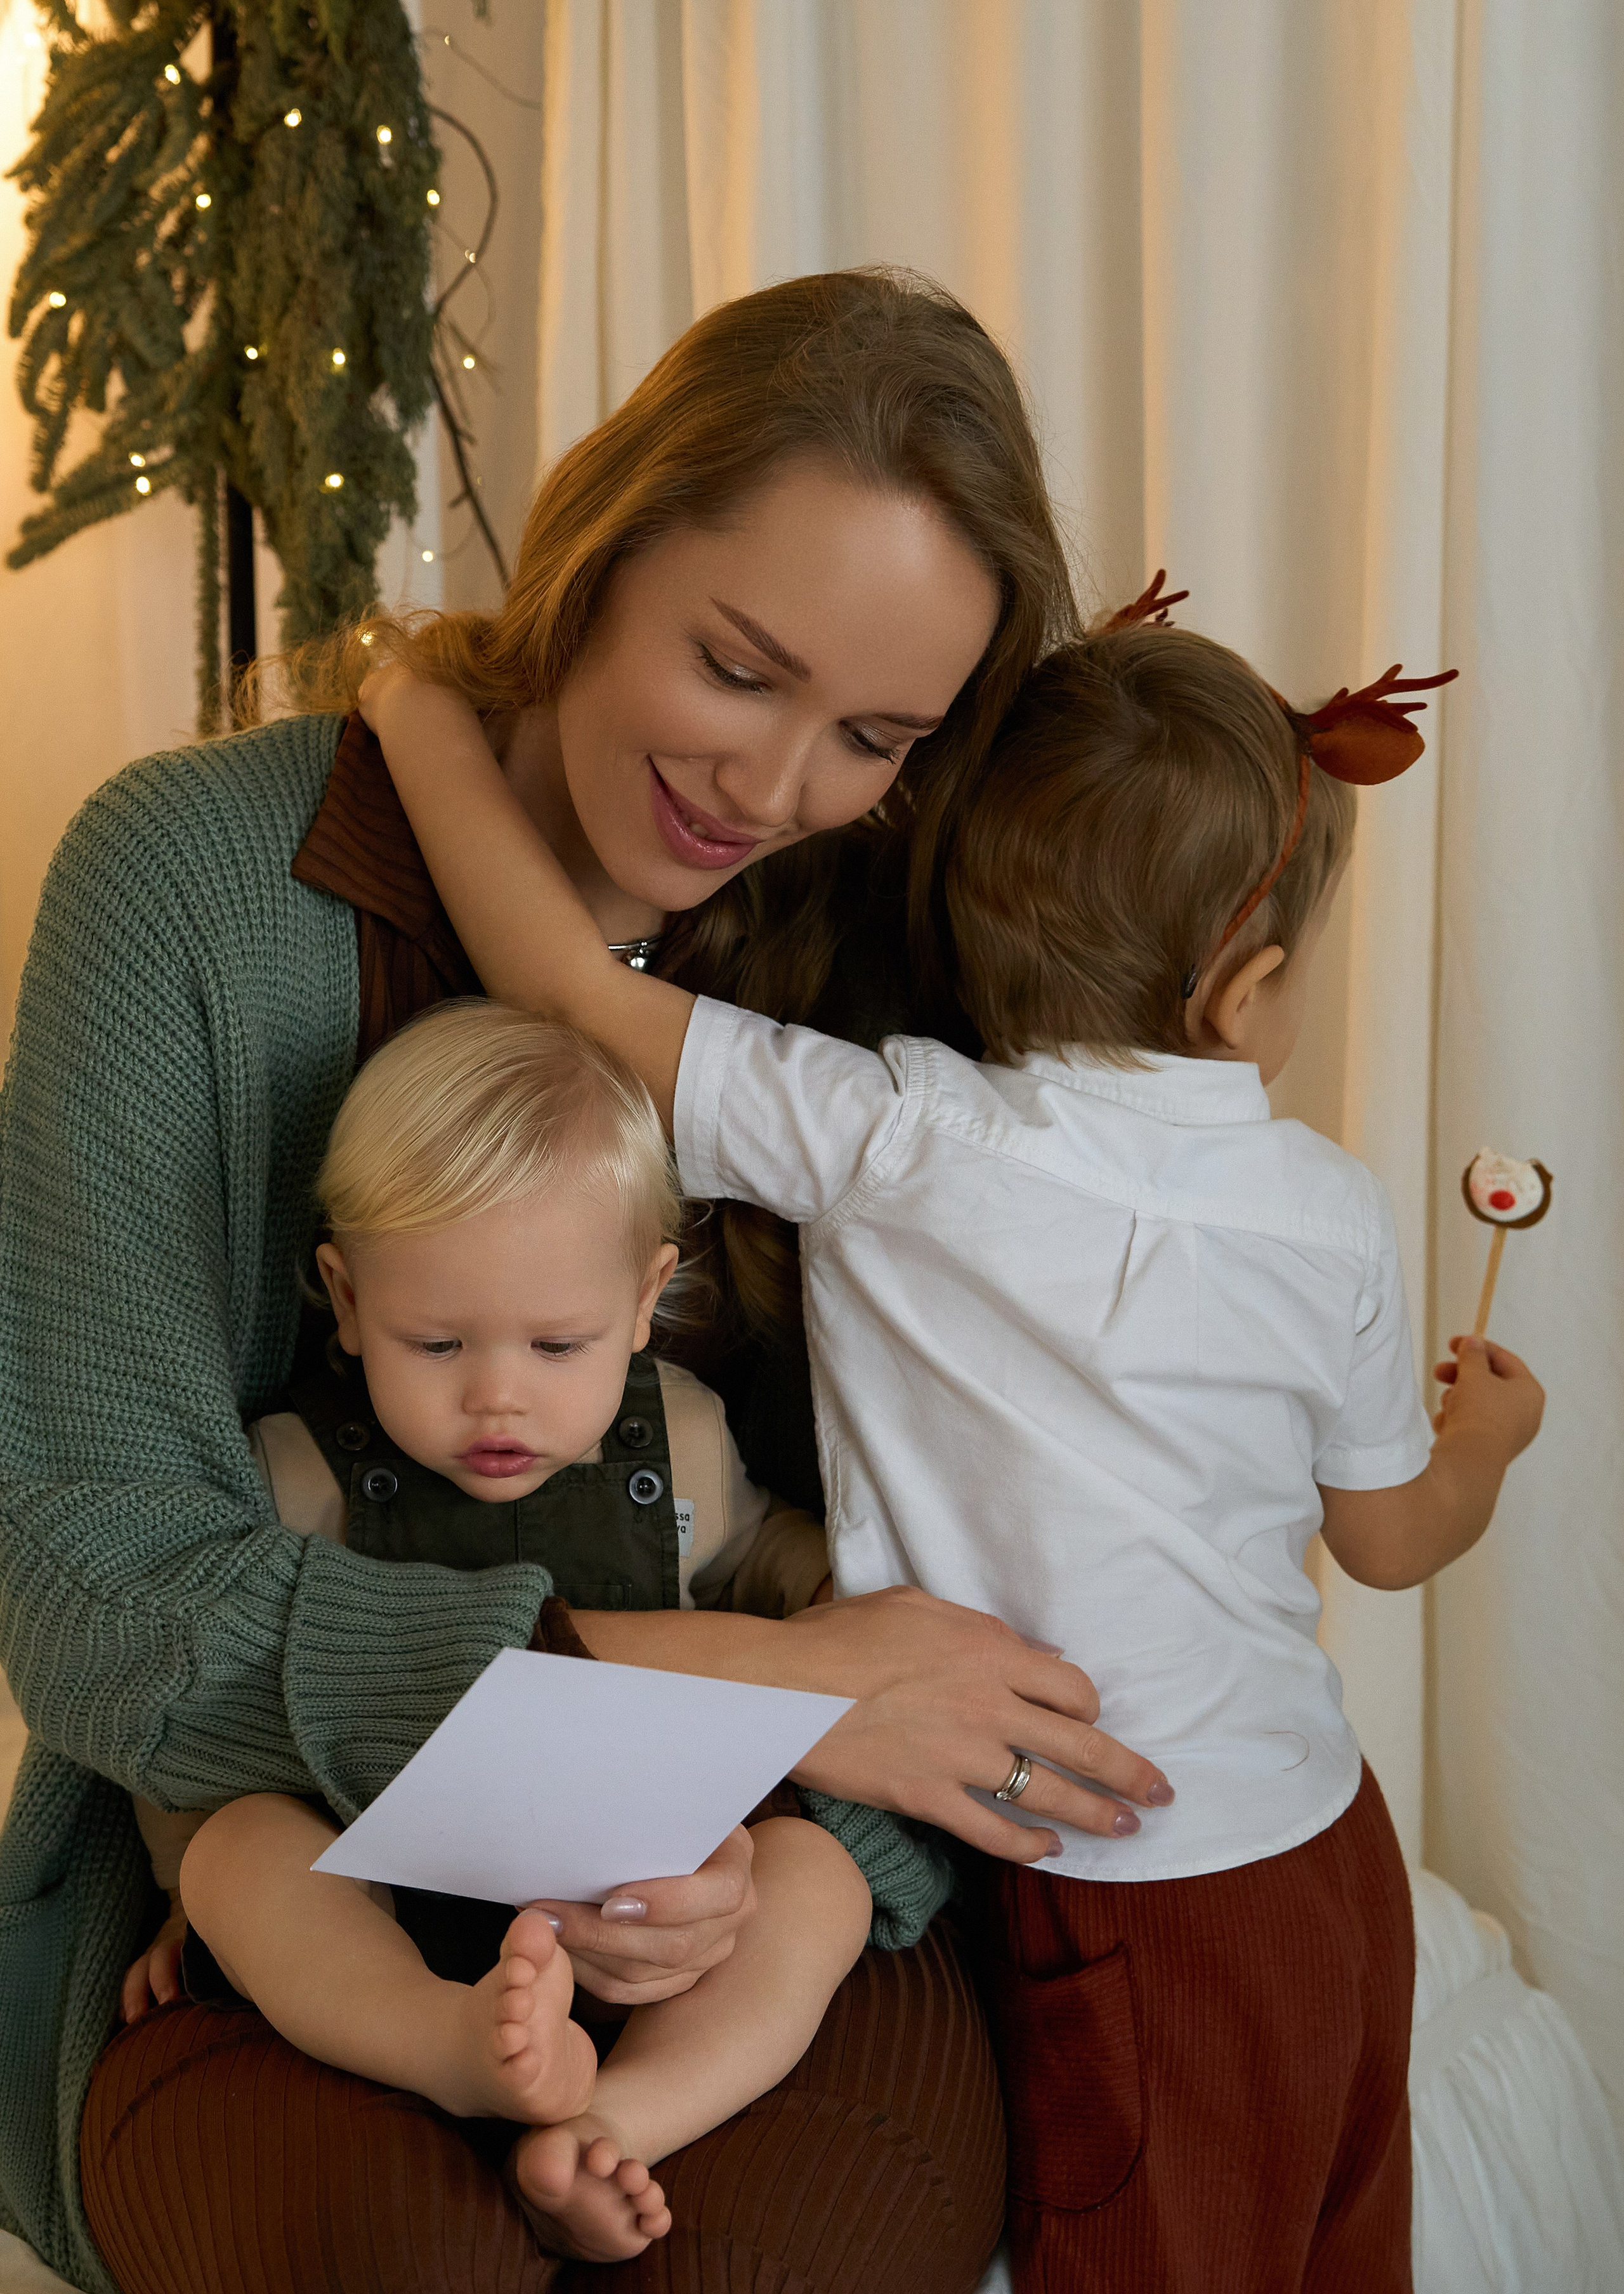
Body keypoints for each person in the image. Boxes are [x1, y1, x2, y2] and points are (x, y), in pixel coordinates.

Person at [0, 267, 1171, 2294]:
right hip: (275, 1876)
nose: (776, 787)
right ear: (601, 544)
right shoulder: (189, 886)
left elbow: (969, 1613)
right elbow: (93, 1590)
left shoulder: (896, 984)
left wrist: (789, 1850)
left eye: (874, 734)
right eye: (738, 666)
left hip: (764, 1890)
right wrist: (760, 1694)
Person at [358, 606, 1547, 2294]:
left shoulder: (890, 1135)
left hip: (1130, 1883)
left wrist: (411, 702)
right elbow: (1390, 1539)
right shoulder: (1332, 1210)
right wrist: (1491, 1440)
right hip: (1325, 1853)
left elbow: (554, 977)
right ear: (1249, 986)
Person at [128, 1001, 937, 2265]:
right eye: (436, 1341)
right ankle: (451, 2050)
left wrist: (845, 1606)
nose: (497, 1392)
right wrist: (201, 1888)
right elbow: (211, 1723)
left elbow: (776, 1569)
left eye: (557, 1343)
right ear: (345, 1297)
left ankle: (616, 2121)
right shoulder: (298, 1475)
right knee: (240, 1848)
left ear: (641, 1302)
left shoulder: (681, 1442)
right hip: (389, 1900)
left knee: (819, 1881)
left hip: (651, 1897)